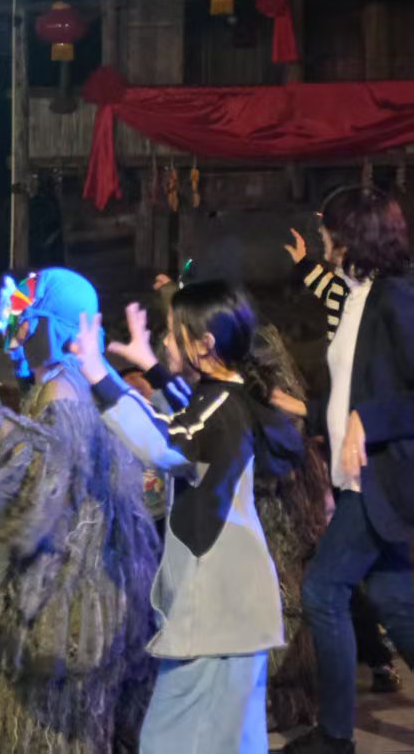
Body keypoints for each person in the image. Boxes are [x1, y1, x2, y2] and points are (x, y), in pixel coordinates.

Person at [0, 267, 159, 754]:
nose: (17, 332)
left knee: (60, 724)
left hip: (69, 596)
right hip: (101, 582)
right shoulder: (89, 381)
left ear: (55, 326)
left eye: (28, 320)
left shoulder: (64, 392)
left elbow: (40, 490)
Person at [82, 286, 303, 753]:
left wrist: (100, 375)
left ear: (204, 345)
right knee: (233, 741)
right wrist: (153, 368)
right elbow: (192, 414)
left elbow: (168, 443)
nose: (165, 339)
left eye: (172, 332)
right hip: (233, 610)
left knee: (171, 740)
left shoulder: (222, 409)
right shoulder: (226, 397)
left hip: (219, 609)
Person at [285, 186, 414, 754]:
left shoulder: (397, 298)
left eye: (327, 232)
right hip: (357, 477)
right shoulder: (356, 294)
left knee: (323, 589)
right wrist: (306, 411)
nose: (321, 240)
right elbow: (354, 388)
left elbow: (386, 401)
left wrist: (370, 419)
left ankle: (335, 737)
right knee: (393, 600)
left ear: (349, 236)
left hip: (379, 478)